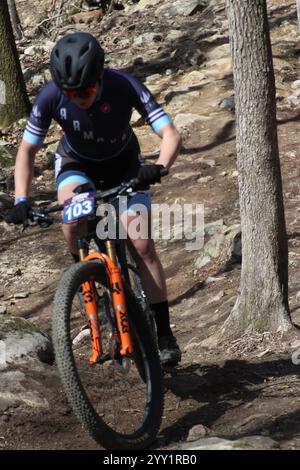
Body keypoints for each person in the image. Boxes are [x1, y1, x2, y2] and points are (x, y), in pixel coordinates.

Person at [6, 32, 182, 366]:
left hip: (126, 167)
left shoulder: (123, 85)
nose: (78, 98)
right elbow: (27, 150)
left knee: (142, 245)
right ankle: (85, 272)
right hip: (77, 166)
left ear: (99, 77)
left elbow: (171, 133)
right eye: (71, 93)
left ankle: (164, 333)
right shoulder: (49, 97)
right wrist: (21, 200)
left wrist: (159, 166)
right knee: (72, 222)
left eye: (85, 91)